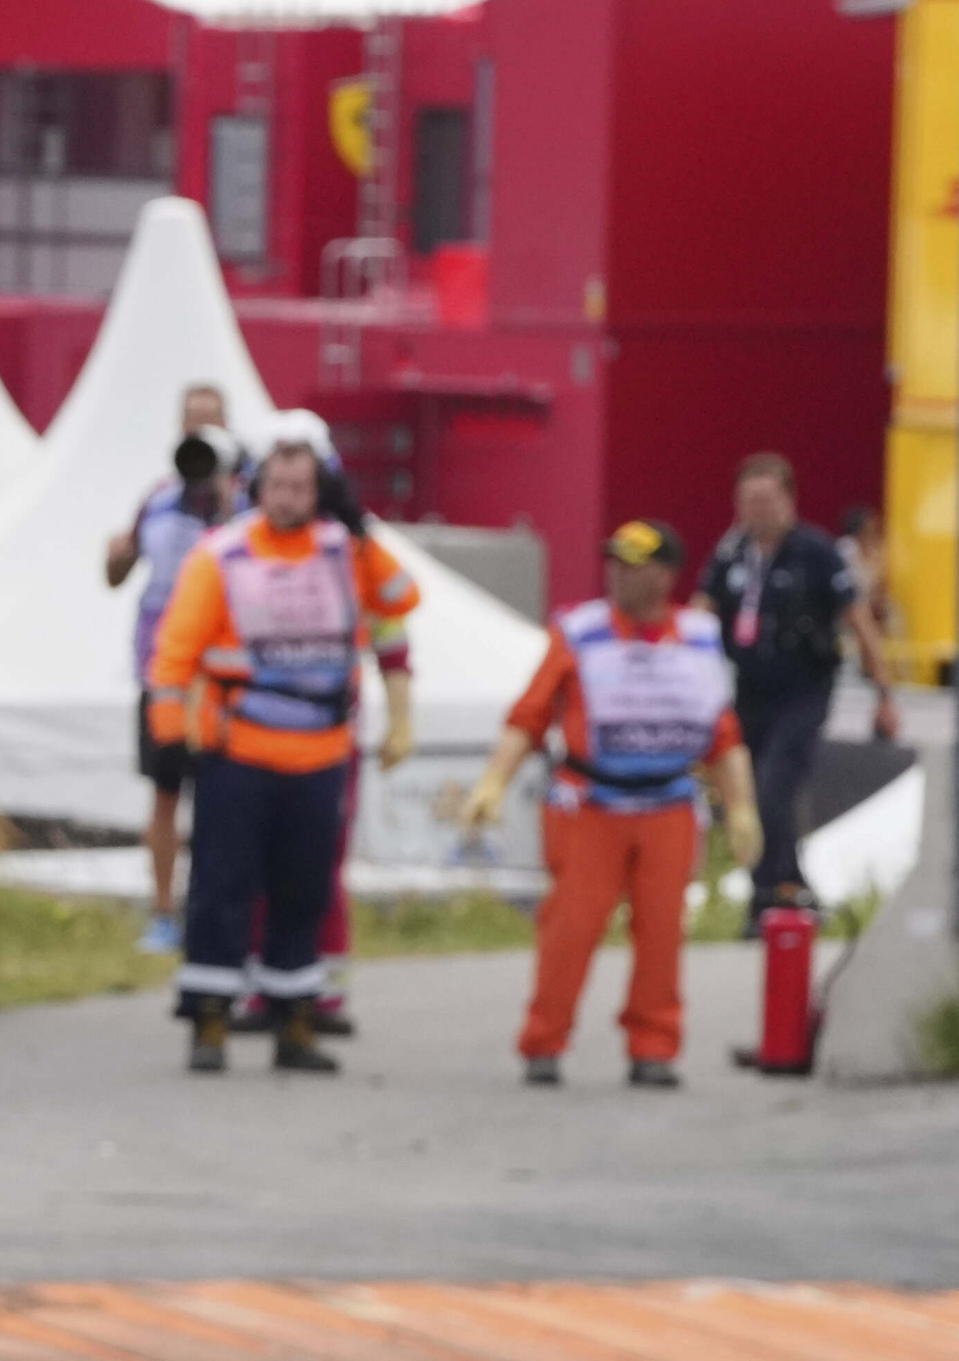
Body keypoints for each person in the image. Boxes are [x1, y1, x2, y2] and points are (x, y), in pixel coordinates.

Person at [147, 412, 417, 1074]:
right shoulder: (223, 555)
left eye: (302, 485)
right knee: (222, 887)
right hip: (239, 751)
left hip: (321, 754)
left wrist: (362, 530)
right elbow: (175, 652)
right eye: (278, 485)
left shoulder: (344, 552)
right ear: (256, 488)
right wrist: (169, 736)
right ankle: (209, 1020)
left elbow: (402, 597)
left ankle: (296, 1021)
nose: (289, 497)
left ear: (320, 489)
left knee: (305, 892)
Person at [468, 521, 750, 1086]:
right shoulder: (579, 632)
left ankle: (654, 1047)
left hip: (669, 804)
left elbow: (722, 735)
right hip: (589, 805)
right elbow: (530, 715)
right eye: (615, 562)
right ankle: (543, 1041)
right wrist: (493, 782)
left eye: (634, 564)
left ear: (666, 575)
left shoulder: (697, 637)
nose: (618, 573)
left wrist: (742, 808)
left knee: (663, 932)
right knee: (571, 928)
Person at [700, 452, 886, 911]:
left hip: (804, 688)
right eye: (748, 501)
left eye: (765, 500)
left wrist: (883, 691)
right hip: (750, 689)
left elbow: (857, 617)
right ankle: (781, 887)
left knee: (773, 785)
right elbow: (703, 608)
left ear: (788, 500)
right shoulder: (732, 553)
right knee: (742, 792)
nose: (756, 511)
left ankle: (774, 892)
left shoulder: (815, 552)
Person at [105, 380, 237, 947]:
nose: (199, 434)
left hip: (223, 677)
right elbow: (115, 575)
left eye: (211, 424)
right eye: (191, 423)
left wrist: (229, 497)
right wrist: (117, 553)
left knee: (223, 799)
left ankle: (213, 906)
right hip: (161, 674)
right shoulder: (157, 499)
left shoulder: (249, 500)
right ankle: (163, 912)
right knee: (164, 795)